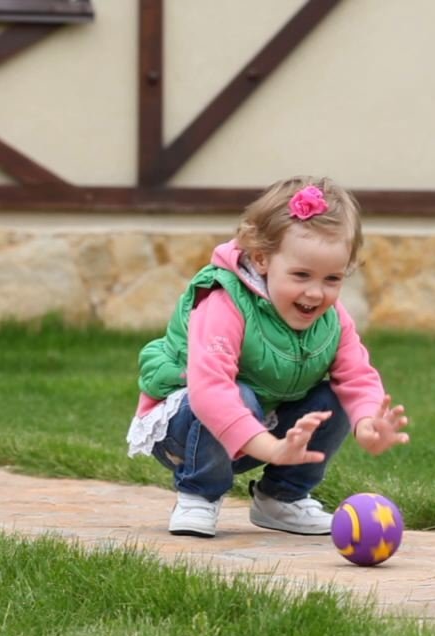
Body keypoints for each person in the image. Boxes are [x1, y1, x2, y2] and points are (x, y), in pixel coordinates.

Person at [126, 176, 409, 538]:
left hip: (266, 430)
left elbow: (357, 376)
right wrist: (270, 447)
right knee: (236, 394)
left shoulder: (332, 319)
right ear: (261, 259)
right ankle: (199, 492)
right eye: (301, 275)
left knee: (335, 394)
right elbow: (210, 392)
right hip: (186, 429)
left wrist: (367, 422)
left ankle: (281, 498)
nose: (315, 292)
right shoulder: (223, 302)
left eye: (332, 279)